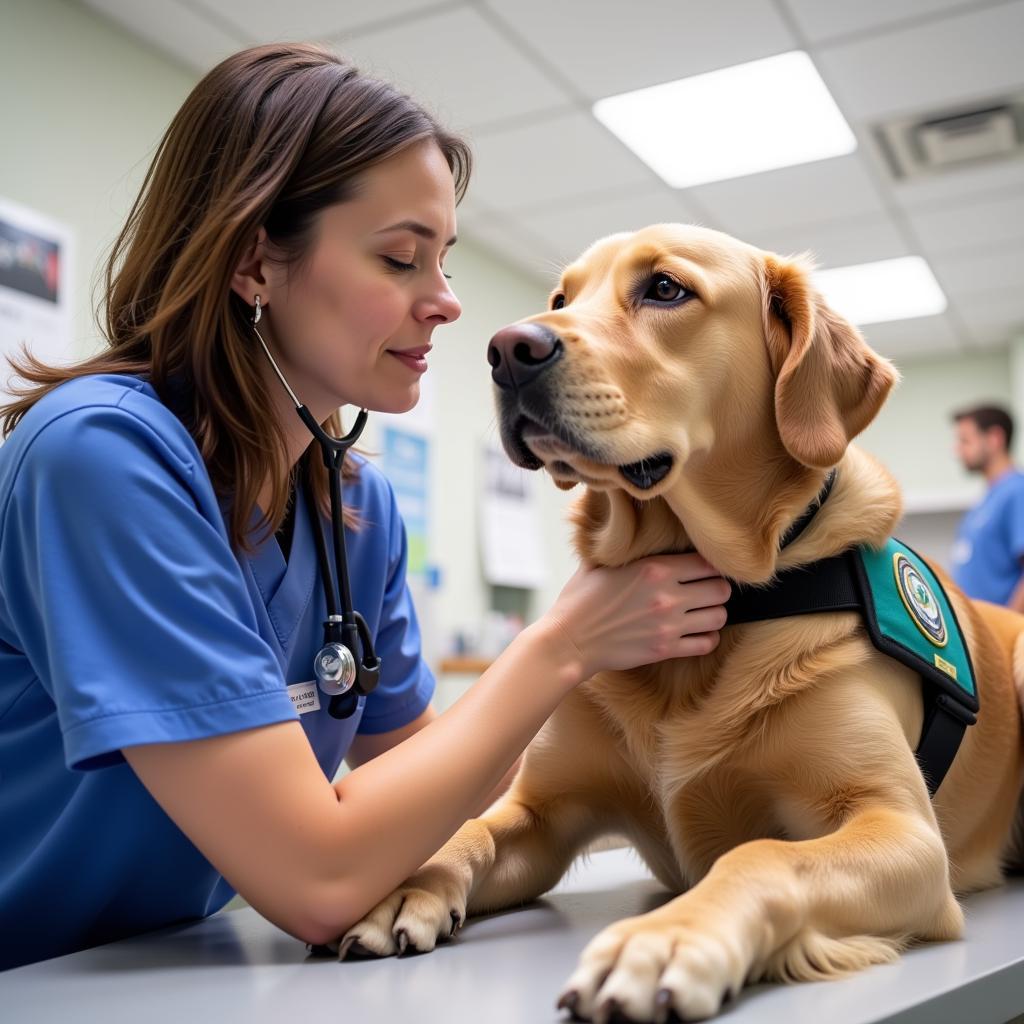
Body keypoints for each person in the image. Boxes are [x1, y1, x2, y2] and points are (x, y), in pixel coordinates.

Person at [0, 43, 731, 970]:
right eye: (400, 259)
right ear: (254, 261)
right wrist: (566, 644)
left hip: (164, 971)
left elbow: (417, 784)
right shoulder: (101, 460)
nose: (448, 304)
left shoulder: (354, 504)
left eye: (445, 261)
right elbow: (319, 875)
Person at [949, 403, 1024, 610]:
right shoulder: (987, 499)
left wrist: (1007, 630)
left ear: (994, 439)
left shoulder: (1017, 491)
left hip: (1002, 637)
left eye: (965, 441)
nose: (956, 450)